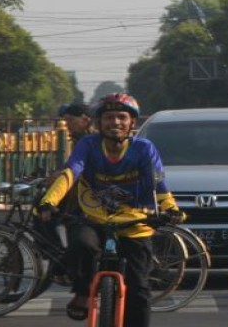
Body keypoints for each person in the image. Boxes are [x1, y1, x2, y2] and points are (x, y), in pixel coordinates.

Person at [37, 93, 181, 326]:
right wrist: (49, 201)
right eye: (109, 117)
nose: (115, 122)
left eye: (122, 117)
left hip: (135, 223)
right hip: (92, 218)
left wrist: (171, 209)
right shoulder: (88, 145)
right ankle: (83, 292)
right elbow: (71, 172)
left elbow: (158, 183)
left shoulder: (144, 148)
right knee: (81, 244)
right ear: (98, 123)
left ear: (131, 122)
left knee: (139, 290)